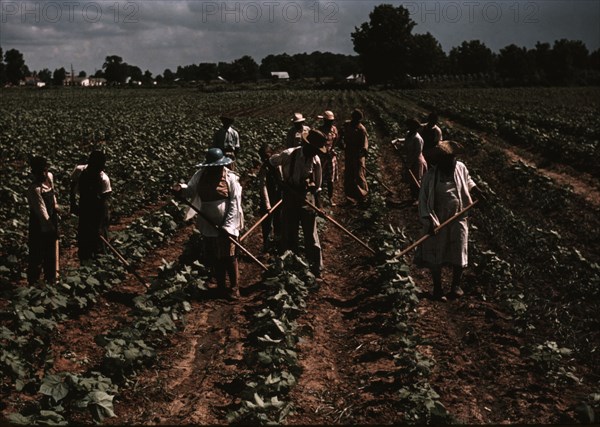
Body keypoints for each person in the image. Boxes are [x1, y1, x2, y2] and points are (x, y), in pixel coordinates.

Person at [172, 148, 244, 299]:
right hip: (207, 223)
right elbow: (191, 190)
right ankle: (221, 286)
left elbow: (234, 204)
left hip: (227, 223)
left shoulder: (230, 178)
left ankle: (234, 287)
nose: (215, 169)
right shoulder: (201, 175)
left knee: (229, 256)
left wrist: (228, 226)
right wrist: (181, 189)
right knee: (215, 256)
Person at [417, 140, 483, 300]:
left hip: (459, 215)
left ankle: (456, 285)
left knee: (459, 249)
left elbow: (468, 181)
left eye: (453, 159)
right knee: (436, 253)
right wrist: (430, 221)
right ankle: (438, 288)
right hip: (438, 219)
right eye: (447, 160)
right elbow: (423, 201)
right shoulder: (430, 176)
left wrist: (476, 189)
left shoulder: (460, 168)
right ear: (440, 161)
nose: (452, 162)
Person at [269, 129, 327, 277]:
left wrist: (319, 206)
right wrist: (280, 181)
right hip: (289, 196)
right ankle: (291, 267)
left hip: (307, 198)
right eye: (314, 149)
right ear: (306, 145)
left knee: (311, 236)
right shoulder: (289, 154)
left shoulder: (316, 160)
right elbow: (271, 162)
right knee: (289, 234)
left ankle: (316, 268)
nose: (316, 152)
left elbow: (318, 187)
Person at [26, 155, 59, 285]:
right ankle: (33, 282)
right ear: (34, 172)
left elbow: (53, 194)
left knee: (51, 252)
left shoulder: (49, 178)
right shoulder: (34, 189)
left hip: (51, 219)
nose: (42, 174)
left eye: (44, 170)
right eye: (39, 172)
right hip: (39, 224)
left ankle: (50, 279)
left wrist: (56, 206)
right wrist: (50, 227)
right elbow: (41, 211)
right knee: (37, 253)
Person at [75, 150, 112, 262]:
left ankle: (100, 263)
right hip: (85, 207)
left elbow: (103, 203)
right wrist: (73, 205)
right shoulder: (79, 170)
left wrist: (99, 226)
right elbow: (73, 187)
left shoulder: (104, 179)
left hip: (99, 210)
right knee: (83, 239)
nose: (100, 169)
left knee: (99, 240)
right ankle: (85, 262)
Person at [257, 144, 282, 253]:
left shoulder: (278, 166)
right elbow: (263, 187)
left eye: (267, 156)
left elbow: (283, 182)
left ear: (272, 155)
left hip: (279, 198)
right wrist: (267, 205)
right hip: (268, 199)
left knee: (279, 221)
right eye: (263, 157)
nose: (266, 159)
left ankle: (278, 245)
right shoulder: (264, 169)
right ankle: (266, 245)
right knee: (267, 224)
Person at [341, 109, 369, 205]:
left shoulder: (361, 129)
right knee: (349, 174)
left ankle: (363, 196)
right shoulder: (347, 125)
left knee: (359, 175)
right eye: (354, 118)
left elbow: (365, 144)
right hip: (349, 153)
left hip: (358, 155)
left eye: (357, 119)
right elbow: (341, 133)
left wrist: (362, 153)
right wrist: (341, 141)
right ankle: (350, 197)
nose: (355, 120)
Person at [317, 110, 339, 206]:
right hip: (321, 157)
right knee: (319, 178)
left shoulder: (334, 129)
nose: (330, 123)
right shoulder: (320, 130)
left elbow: (336, 140)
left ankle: (330, 198)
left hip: (330, 156)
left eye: (331, 121)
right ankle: (319, 199)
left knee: (330, 180)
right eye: (328, 121)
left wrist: (331, 149)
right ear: (324, 121)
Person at [404, 118, 428, 202]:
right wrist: (398, 141)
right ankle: (413, 198)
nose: (408, 127)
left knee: (416, 181)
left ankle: (419, 200)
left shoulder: (418, 139)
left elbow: (417, 153)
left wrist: (409, 164)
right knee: (411, 180)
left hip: (417, 161)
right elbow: (406, 141)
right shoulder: (408, 134)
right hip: (410, 159)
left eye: (410, 126)